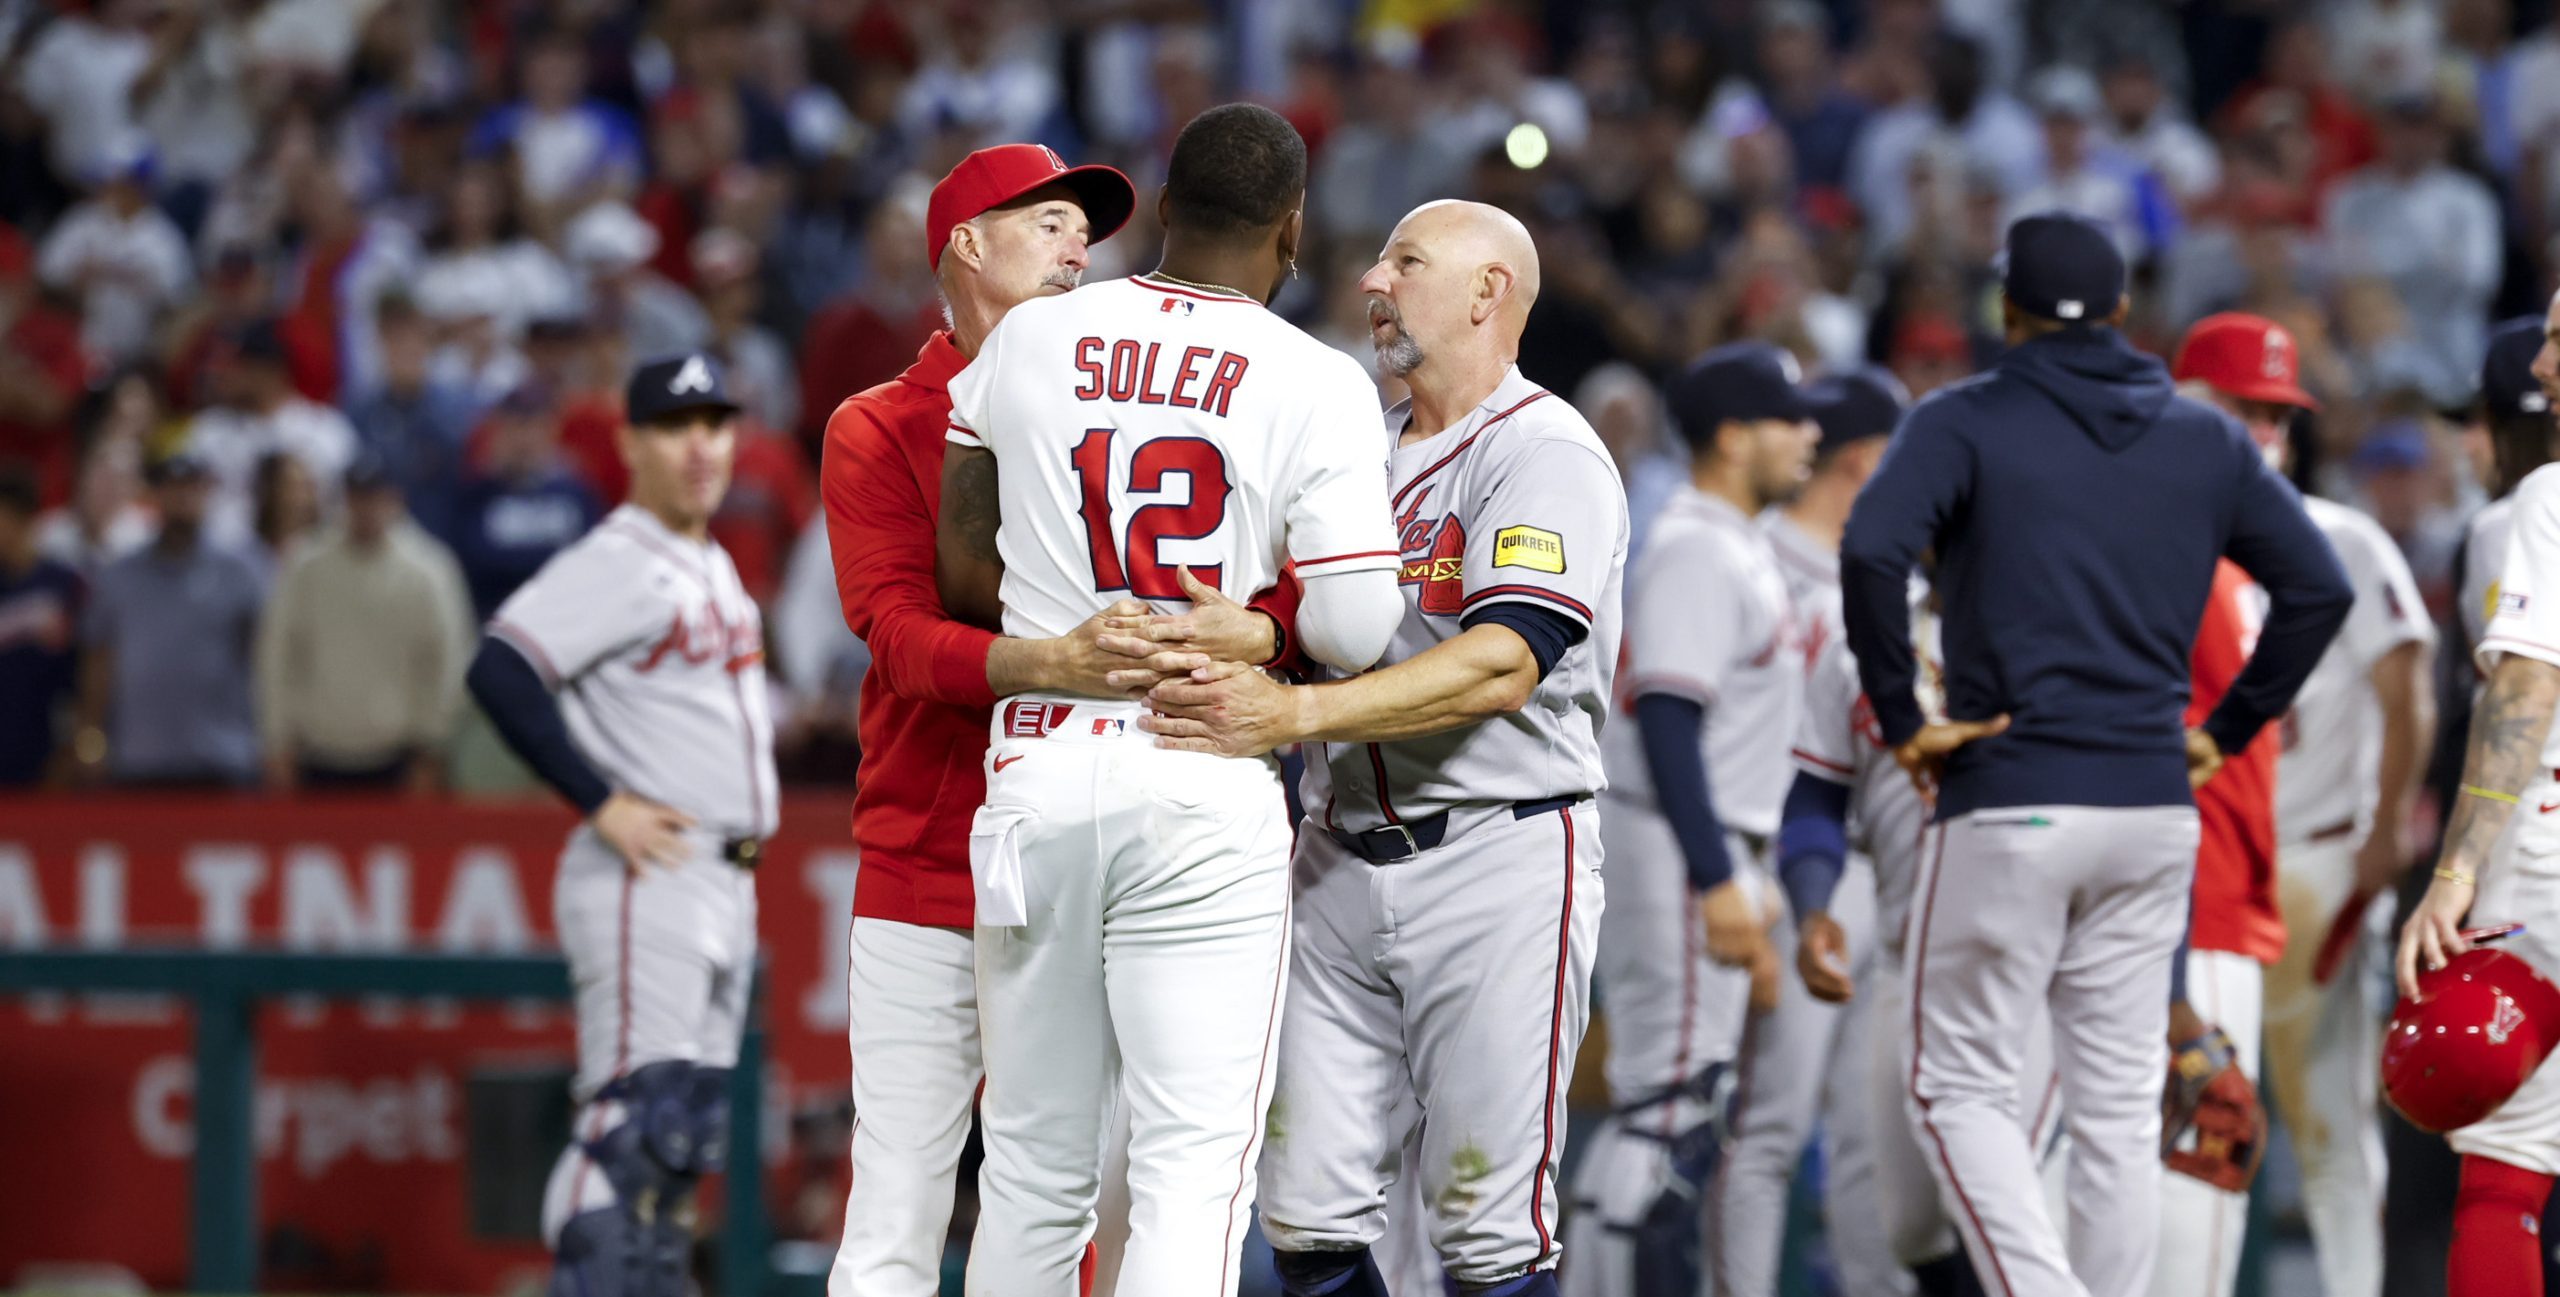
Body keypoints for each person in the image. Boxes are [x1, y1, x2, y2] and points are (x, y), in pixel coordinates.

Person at [1119, 195, 1630, 1297]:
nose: (1372, 281)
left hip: (1497, 854)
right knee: (1303, 1220)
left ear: (1490, 291)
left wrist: (1292, 715)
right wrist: (1254, 641)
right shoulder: (1358, 454)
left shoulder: (1545, 448)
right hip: (1339, 850)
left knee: (1488, 1230)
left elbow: (1505, 661)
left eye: (1408, 260)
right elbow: (1315, 632)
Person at [933, 105, 1406, 1294]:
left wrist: (1071, 615)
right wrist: (1259, 623)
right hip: (1198, 758)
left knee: (1034, 1169)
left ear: (1160, 205)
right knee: (1190, 1176)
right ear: (1291, 227)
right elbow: (1354, 628)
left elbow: (959, 565)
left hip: (1038, 761)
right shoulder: (1314, 376)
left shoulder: (1033, 338)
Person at [1839, 211, 2351, 1297]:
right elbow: (2319, 586)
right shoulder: (2201, 434)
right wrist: (2228, 728)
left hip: (2013, 793)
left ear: (2006, 310)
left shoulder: (1962, 417)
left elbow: (1872, 543)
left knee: (1954, 1086)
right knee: (2116, 1105)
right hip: (2155, 803)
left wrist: (1898, 712)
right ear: (2123, 313)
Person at [820, 140, 1298, 1297]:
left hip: (1100, 848)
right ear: (963, 248)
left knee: (1069, 1187)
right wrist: (1051, 663)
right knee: (897, 1203)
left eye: (1085, 227)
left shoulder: (1139, 393)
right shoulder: (881, 423)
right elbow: (891, 631)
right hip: (934, 852)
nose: (1078, 243)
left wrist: (1263, 627)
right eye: (1045, 221)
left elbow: (1276, 572)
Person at [463, 353, 773, 1297]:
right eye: (677, 427)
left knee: (680, 1146)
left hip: (724, 875)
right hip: (657, 872)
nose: (700, 446)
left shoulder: (711, 560)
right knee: (633, 1131)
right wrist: (600, 800)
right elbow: (501, 669)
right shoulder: (619, 556)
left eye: (715, 425)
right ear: (631, 442)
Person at [2176, 312, 2436, 1297]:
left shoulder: (2337, 534)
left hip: (2318, 866)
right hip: (2201, 880)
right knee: (2207, 1132)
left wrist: (2383, 831)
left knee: (2331, 1129)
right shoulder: (2155, 541)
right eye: (2243, 410)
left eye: (2276, 415)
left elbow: (2406, 682)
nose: (2265, 434)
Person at [1564, 340, 1816, 1297]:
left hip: (1698, 837)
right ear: (1731, 435)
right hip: (1676, 838)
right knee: (1668, 1103)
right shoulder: (1699, 546)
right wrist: (1717, 878)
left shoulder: (1729, 541)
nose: (1808, 436)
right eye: (1787, 419)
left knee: (1674, 1102)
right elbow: (1669, 719)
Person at [1776, 579, 2057, 1297]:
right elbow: (1815, 796)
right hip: (1909, 965)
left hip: (2031, 977)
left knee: (1995, 1214)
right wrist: (1813, 908)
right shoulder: (1861, 645)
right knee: (1909, 1225)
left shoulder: (2062, 630)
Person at [1710, 366, 1911, 1297]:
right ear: (1867, 459)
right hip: (1791, 864)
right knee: (1770, 1126)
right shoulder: (1749, 555)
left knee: (1875, 1128)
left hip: (1890, 865)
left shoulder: (1894, 570)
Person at [2397, 294, 2560, 1297]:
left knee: (2503, 1174)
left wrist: (2451, 873)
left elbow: (2527, 683)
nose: (2540, 368)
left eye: (2557, 338)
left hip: (2545, 866)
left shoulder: (2545, 498)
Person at [254, 456, 472, 792]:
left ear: (396, 499)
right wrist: (277, 740)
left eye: (376, 497)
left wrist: (433, 748)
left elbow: (447, 662)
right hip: (316, 754)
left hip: (400, 757)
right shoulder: (305, 565)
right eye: (358, 497)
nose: (366, 508)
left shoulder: (429, 570)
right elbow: (278, 654)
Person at [74, 449, 271, 788]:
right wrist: (92, 740)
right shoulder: (120, 576)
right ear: (156, 494)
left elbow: (263, 662)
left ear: (208, 493)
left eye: (193, 487)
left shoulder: (240, 573)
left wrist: (268, 740)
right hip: (139, 759)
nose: (183, 498)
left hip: (221, 758)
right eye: (173, 487)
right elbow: (99, 661)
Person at [0, 466, 81, 786]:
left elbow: (80, 668)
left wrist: (72, 743)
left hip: (44, 744)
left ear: (23, 519)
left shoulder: (64, 585)